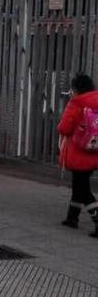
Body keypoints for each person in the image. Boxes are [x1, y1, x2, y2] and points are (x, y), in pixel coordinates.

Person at [58, 73, 98, 237]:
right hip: (94, 150)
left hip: (78, 152)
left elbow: (64, 129)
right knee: (78, 184)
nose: (71, 92)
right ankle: (72, 217)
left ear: (77, 89)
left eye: (72, 88)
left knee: (83, 189)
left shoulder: (76, 104)